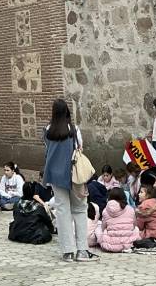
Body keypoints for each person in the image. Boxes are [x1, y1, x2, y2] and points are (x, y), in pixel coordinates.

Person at [43, 97, 98, 263]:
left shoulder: (47, 130)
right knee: (80, 209)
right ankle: (82, 250)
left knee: (62, 212)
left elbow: (48, 150)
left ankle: (68, 252)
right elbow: (80, 148)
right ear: (67, 111)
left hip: (55, 175)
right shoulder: (73, 129)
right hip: (74, 175)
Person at [94, 186, 140, 252]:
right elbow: (134, 225)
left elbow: (103, 228)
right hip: (128, 244)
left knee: (98, 229)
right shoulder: (130, 209)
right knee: (136, 229)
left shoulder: (106, 210)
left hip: (110, 244)